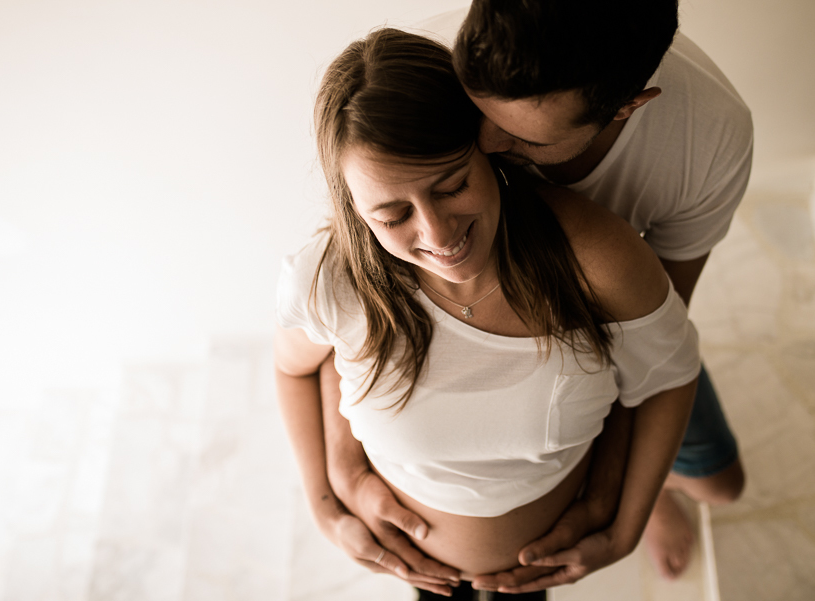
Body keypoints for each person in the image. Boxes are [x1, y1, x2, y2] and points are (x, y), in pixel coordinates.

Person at [317, 0, 752, 594]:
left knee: (721, 485)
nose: (487, 142)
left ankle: (658, 494)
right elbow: (346, 286)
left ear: (627, 106)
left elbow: (650, 350)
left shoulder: (710, 139)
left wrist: (611, 496)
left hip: (621, 311)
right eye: (479, 110)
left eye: (522, 136)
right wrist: (342, 472)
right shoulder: (442, 61)